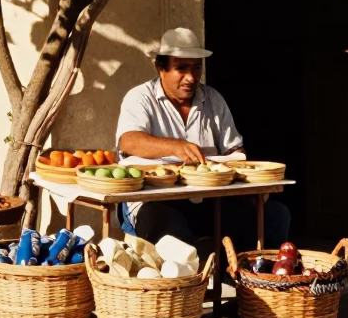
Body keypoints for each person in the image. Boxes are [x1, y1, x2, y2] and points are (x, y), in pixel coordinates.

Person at [115, 27, 291, 249]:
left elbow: (234, 151)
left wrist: (246, 180)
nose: (191, 77)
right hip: (155, 202)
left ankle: (255, 279)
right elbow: (129, 141)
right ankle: (195, 276)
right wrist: (174, 147)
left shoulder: (213, 99)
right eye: (181, 68)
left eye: (197, 67)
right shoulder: (140, 98)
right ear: (161, 68)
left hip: (210, 201)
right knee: (172, 232)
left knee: (274, 215)